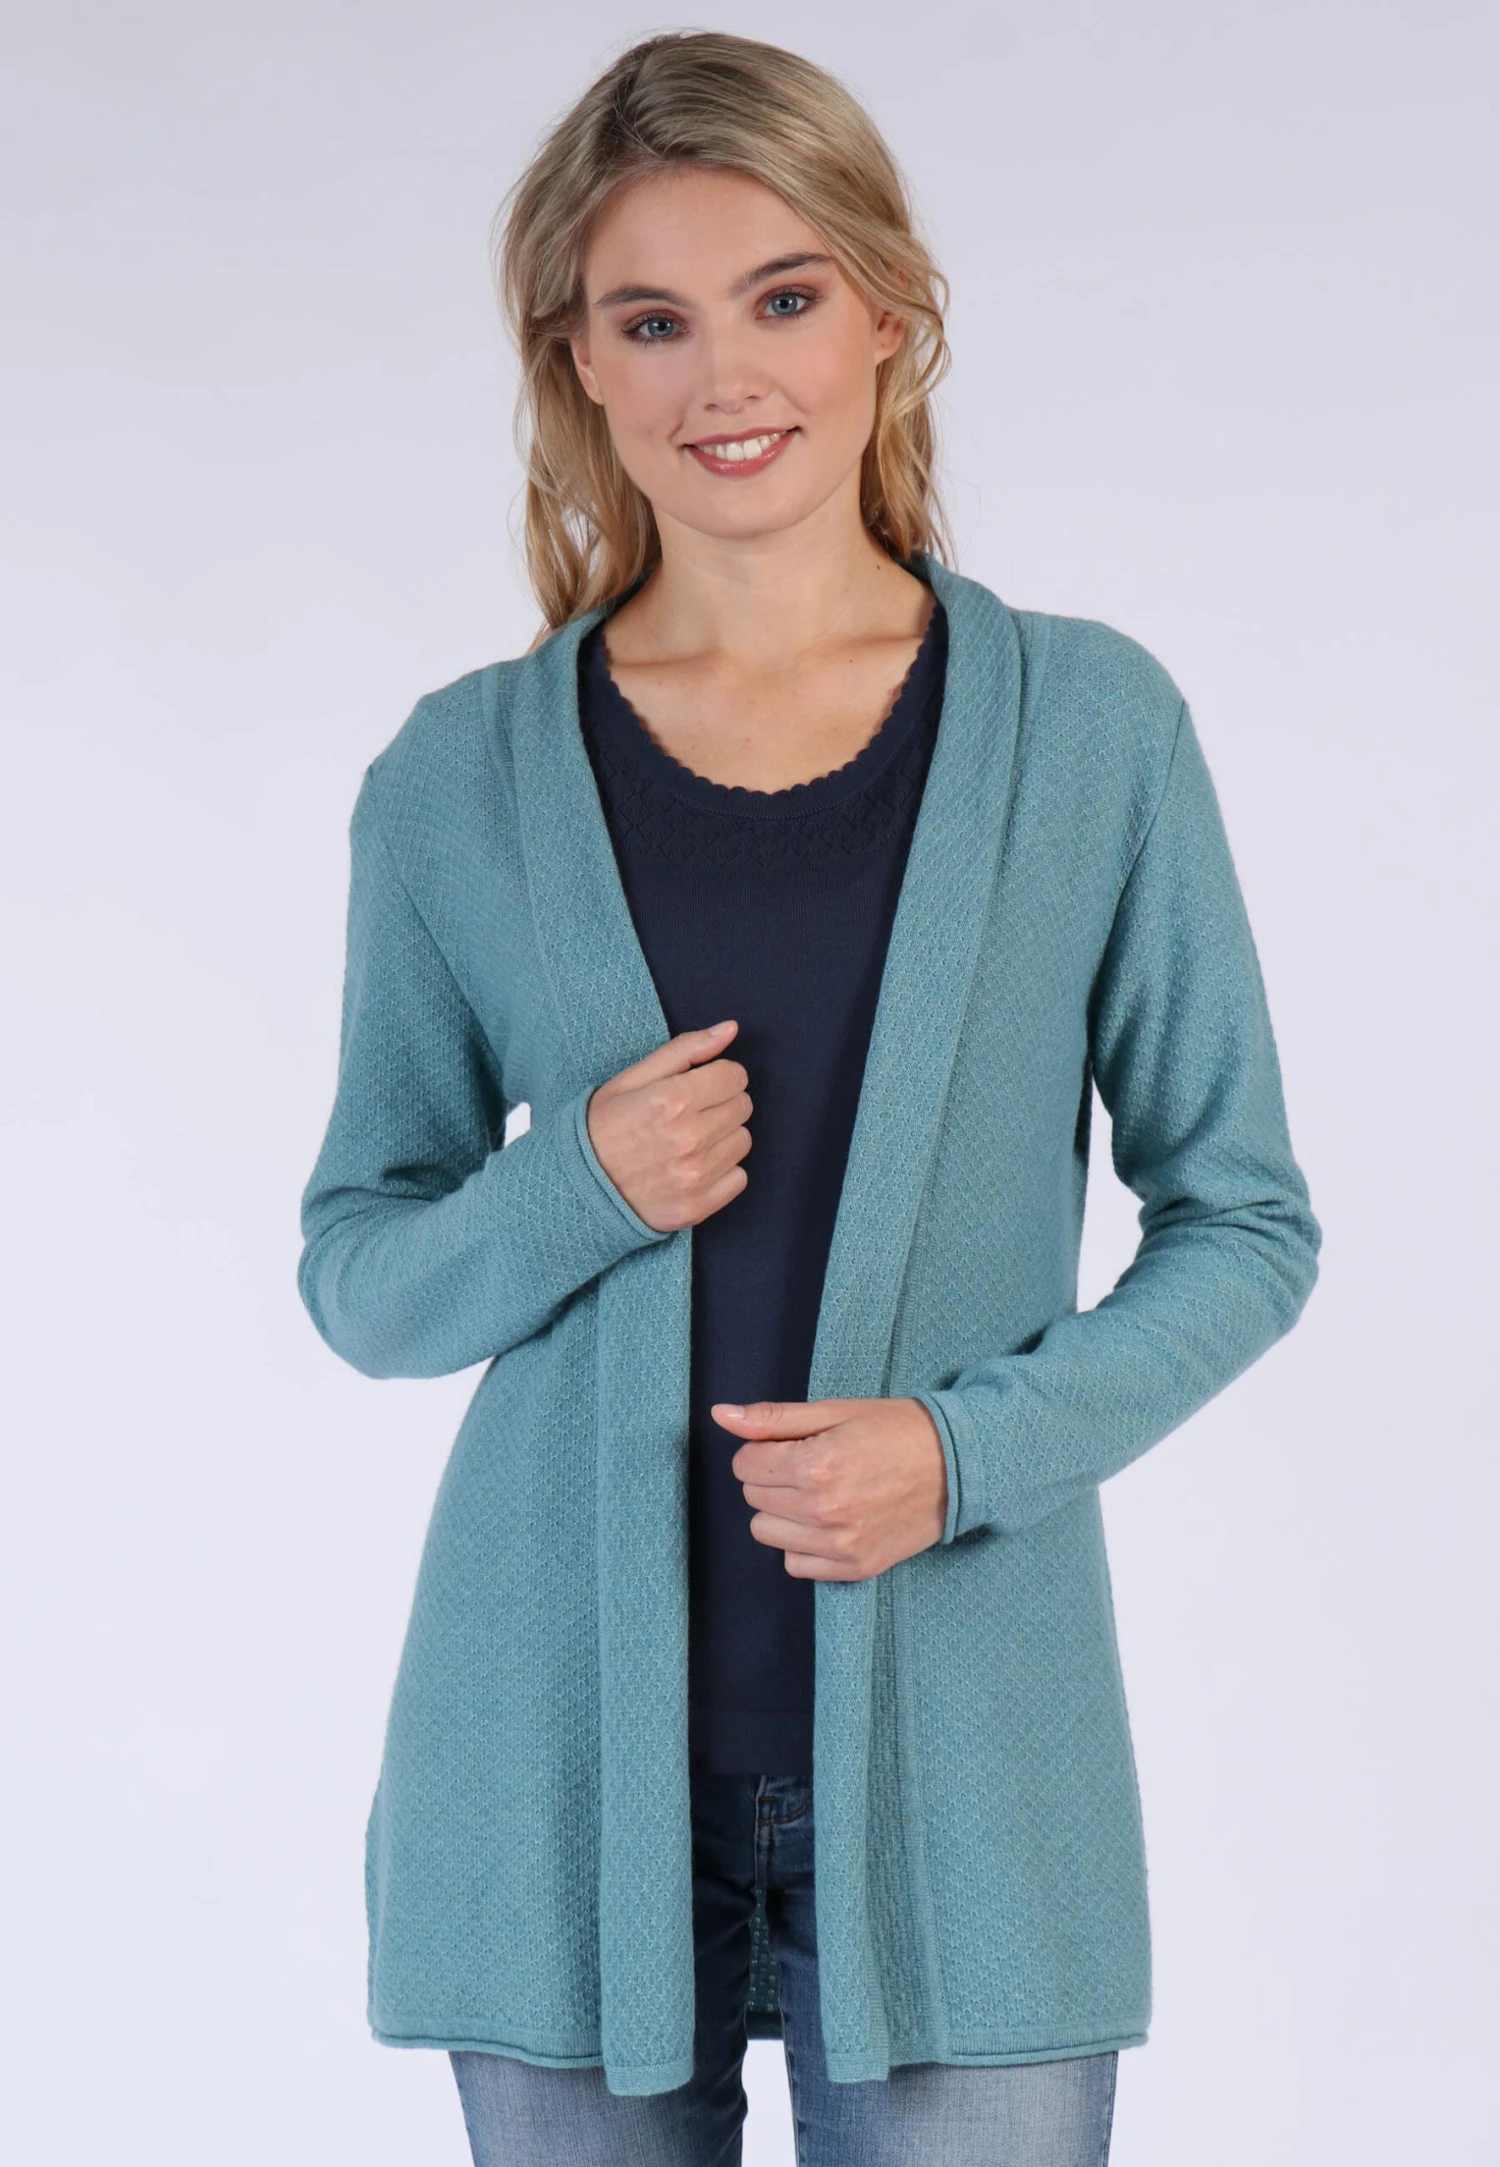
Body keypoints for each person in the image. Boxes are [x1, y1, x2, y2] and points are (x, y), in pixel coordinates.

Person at [296, 30, 1321, 2167]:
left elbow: (1243, 1222)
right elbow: (362, 1276)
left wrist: (961, 1453)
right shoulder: (457, 780)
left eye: (780, 294)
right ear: (577, 365)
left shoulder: (1091, 734)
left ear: (888, 312)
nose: (723, 375)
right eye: (649, 320)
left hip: (972, 1782)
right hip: (554, 1775)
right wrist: (576, 1183)